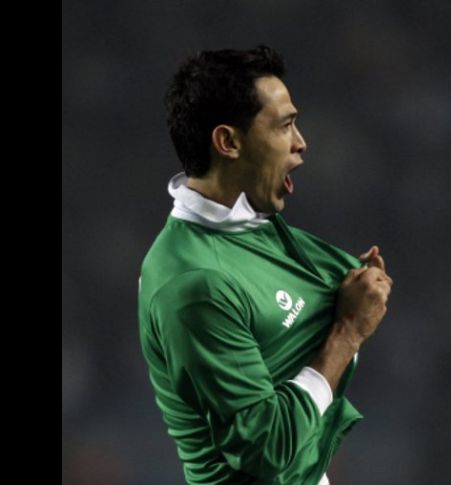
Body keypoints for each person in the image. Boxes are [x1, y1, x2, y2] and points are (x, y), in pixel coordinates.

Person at [138, 46, 393, 485]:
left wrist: (356, 294)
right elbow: (267, 447)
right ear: (229, 142)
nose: (301, 142)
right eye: (285, 125)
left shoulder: (250, 223)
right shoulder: (195, 283)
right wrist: (348, 332)